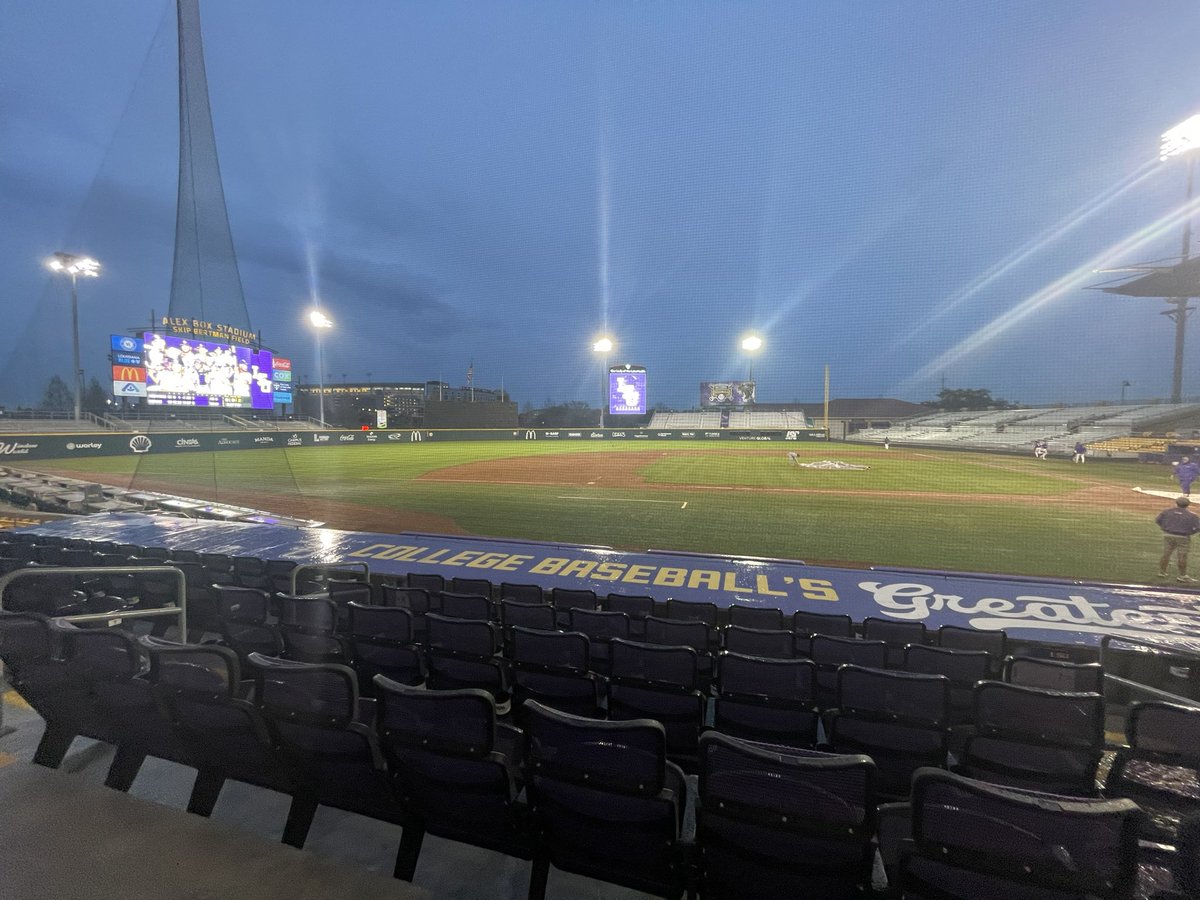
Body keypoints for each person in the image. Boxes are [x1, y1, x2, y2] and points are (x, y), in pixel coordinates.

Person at [1156, 496, 1200, 582]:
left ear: (1176, 503)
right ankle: (1182, 576)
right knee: (1182, 556)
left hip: (1168, 535)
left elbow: (1158, 520)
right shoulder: (1192, 515)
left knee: (1166, 554)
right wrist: (1191, 532)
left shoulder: (1167, 512)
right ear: (1188, 505)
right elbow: (1198, 527)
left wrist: (1164, 528)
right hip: (1183, 537)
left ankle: (1162, 572)